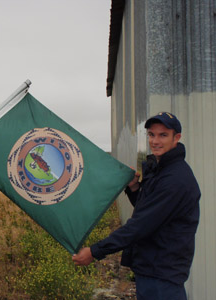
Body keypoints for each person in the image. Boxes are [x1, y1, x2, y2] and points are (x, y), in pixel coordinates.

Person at [72, 112, 201, 300]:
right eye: (151, 135)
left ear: (177, 138)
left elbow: (140, 225)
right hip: (153, 270)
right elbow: (150, 211)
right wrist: (134, 188)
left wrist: (94, 251)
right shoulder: (162, 170)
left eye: (163, 135)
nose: (155, 141)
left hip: (162, 277)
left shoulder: (175, 180)